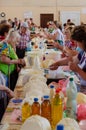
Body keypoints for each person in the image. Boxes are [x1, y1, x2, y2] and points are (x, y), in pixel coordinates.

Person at [49, 25, 86, 94]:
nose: (77, 45)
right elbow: (72, 59)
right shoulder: (83, 52)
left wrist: (77, 69)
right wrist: (57, 63)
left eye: (78, 42)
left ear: (83, 41)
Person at [0, 25, 26, 90]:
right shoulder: (4, 44)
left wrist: (17, 66)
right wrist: (18, 61)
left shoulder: (10, 45)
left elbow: (13, 57)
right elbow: (3, 59)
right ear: (12, 38)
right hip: (3, 75)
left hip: (7, 74)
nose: (17, 43)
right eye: (16, 41)